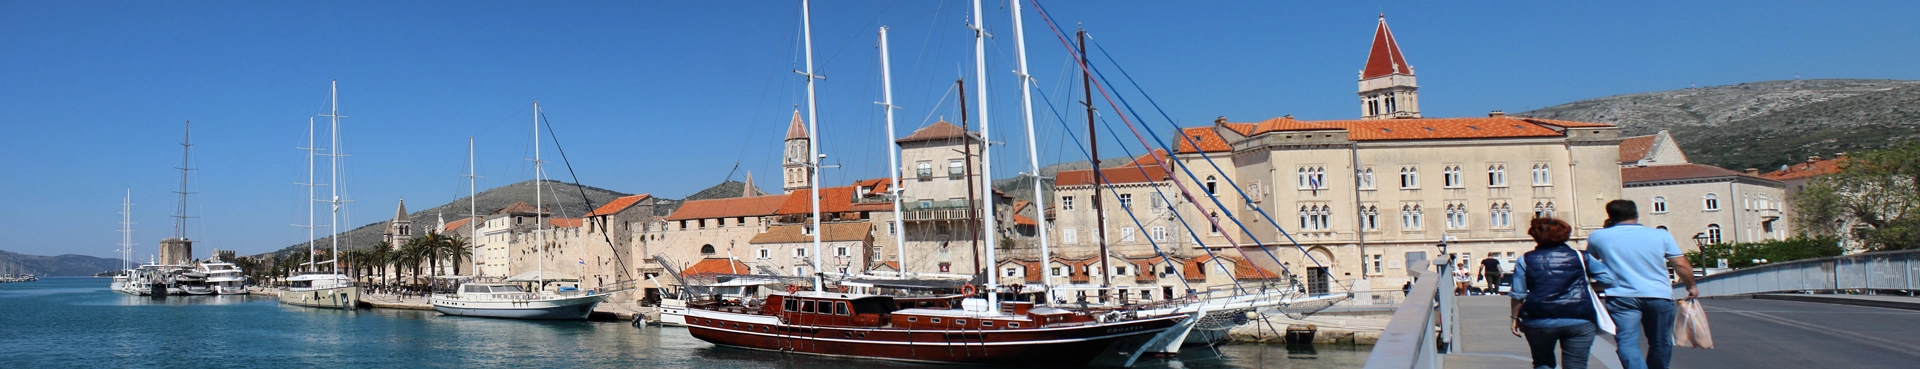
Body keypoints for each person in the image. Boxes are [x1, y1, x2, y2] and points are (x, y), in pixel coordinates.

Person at [1587, 200, 1699, 369]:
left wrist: (1596, 285)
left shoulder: (1597, 236)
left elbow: (1589, 264)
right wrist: (1691, 286)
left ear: (1610, 216)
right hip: (1658, 294)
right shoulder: (1660, 235)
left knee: (1627, 342)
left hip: (1620, 296)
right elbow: (1681, 264)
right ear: (1636, 214)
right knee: (1660, 341)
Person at [1511, 217, 1616, 369]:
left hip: (1539, 319)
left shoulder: (1525, 260)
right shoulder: (1581, 257)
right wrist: (1591, 286)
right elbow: (1609, 279)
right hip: (1578, 317)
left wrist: (1515, 317)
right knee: (1576, 365)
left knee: (1543, 363)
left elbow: (1518, 294)